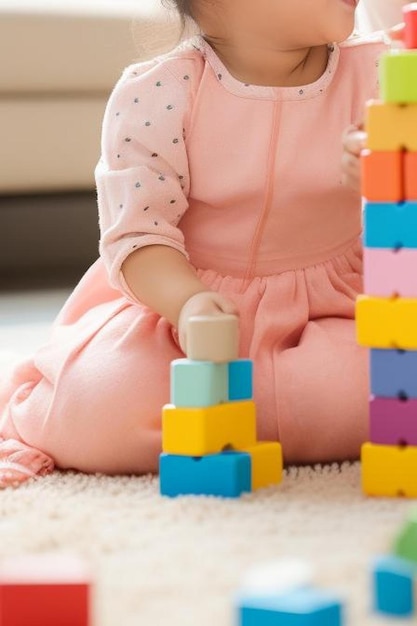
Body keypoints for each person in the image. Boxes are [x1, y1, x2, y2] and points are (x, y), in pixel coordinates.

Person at [0, 0, 392, 487]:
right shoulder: (160, 91)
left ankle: (261, 411)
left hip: (332, 309)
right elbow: (138, 235)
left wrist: (385, 176)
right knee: (104, 401)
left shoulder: (381, 73)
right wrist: (187, 304)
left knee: (384, 389)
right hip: (181, 311)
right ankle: (36, 411)